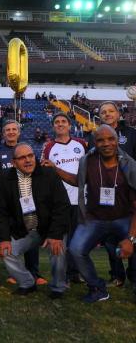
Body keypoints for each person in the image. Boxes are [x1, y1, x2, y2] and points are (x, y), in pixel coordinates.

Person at [51, 125, 136, 302]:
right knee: (75, 250)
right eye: (100, 140)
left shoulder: (129, 164)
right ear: (94, 142)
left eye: (110, 139)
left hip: (124, 218)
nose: (106, 143)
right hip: (95, 219)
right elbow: (78, 181)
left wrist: (131, 239)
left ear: (117, 140)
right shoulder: (87, 161)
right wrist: (56, 169)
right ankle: (97, 288)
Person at [0, 143, 70, 299]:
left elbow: (62, 206)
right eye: (22, 158)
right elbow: (0, 212)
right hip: (26, 230)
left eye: (30, 156)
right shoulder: (4, 180)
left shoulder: (49, 174)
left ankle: (58, 287)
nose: (28, 160)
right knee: (6, 251)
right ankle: (27, 283)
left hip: (50, 227)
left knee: (57, 248)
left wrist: (55, 235)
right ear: (14, 163)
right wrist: (3, 238)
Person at [0, 119, 46, 285]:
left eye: (14, 129)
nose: (11, 132)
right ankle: (15, 273)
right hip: (9, 202)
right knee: (15, 236)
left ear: (19, 132)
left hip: (28, 198)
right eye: (8, 130)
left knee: (31, 234)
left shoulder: (27, 149)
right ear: (3, 133)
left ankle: (34, 272)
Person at [89, 101, 136, 287]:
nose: (107, 114)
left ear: (118, 114)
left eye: (110, 111)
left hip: (130, 193)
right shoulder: (95, 136)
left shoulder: (132, 133)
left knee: (132, 236)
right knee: (110, 239)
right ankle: (117, 276)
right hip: (107, 194)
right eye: (103, 112)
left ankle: (134, 277)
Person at [41, 112, 86, 285]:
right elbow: (45, 172)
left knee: (77, 241)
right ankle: (63, 276)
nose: (60, 124)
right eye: (57, 122)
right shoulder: (49, 147)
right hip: (59, 202)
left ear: (69, 125)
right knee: (61, 240)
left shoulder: (81, 144)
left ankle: (75, 273)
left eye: (63, 121)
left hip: (80, 201)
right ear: (53, 126)